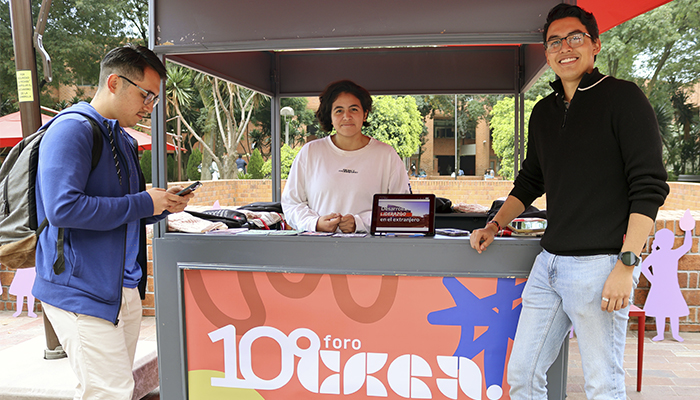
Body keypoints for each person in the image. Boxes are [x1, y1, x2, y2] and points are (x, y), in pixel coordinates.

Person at [469, 5, 668, 399]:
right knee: (523, 375)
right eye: (554, 42)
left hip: (601, 265)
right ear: (546, 53)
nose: (565, 48)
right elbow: (531, 180)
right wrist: (494, 224)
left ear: (595, 44)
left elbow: (649, 187)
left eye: (575, 37)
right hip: (549, 264)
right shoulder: (543, 111)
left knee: (602, 384)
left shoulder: (623, 98)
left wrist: (627, 263)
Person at [32, 44, 193, 400]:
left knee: (106, 390)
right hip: (80, 290)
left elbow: (122, 210)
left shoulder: (122, 138)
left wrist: (161, 206)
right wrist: (143, 201)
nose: (150, 106)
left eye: (155, 98)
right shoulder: (72, 129)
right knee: (112, 391)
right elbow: (63, 209)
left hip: (122, 289)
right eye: (146, 95)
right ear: (115, 82)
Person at [282, 80, 410, 233]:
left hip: (370, 246)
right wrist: (315, 223)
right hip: (318, 245)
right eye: (339, 110)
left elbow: (401, 208)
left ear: (365, 114)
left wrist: (360, 223)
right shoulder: (310, 152)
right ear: (330, 116)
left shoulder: (386, 155)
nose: (346, 116)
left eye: (354, 109)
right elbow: (292, 203)